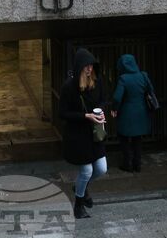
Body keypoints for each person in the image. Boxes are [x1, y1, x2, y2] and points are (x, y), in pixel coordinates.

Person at [59, 48, 108, 219]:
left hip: (95, 133)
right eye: (86, 66)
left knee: (101, 169)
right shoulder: (69, 87)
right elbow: (62, 113)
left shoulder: (97, 81)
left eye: (91, 66)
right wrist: (85, 116)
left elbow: (103, 100)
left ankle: (80, 186)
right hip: (78, 135)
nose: (89, 69)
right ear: (80, 67)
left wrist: (101, 112)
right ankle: (78, 206)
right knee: (86, 170)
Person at [111, 54, 152, 173]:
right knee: (137, 139)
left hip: (126, 114)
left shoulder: (123, 78)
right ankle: (137, 164)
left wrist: (114, 108)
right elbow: (150, 90)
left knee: (124, 138)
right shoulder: (143, 75)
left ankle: (127, 164)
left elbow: (117, 97)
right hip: (141, 112)